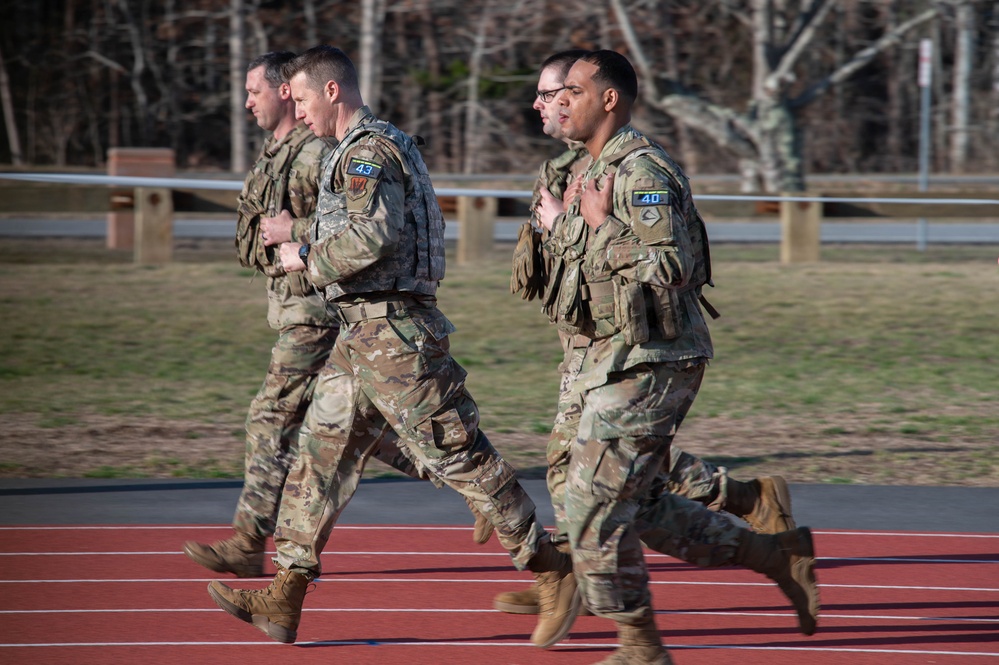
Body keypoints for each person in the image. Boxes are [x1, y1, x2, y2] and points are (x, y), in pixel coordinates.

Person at [204, 45, 579, 648]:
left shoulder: (369, 150)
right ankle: (286, 592)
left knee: (458, 454)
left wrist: (305, 255)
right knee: (318, 455)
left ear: (331, 92)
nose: (296, 114)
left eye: (300, 100)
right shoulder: (351, 150)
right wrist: (308, 236)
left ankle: (551, 566)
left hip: (395, 331)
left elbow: (372, 238)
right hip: (361, 333)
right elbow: (351, 225)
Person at [498, 51, 815, 633]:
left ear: (608, 99)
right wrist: (561, 225)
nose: (557, 102)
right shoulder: (578, 170)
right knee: (619, 500)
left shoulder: (641, 171)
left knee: (598, 501)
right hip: (600, 354)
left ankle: (632, 631)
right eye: (555, 92)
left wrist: (593, 225)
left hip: (653, 355)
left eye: (570, 90)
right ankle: (773, 554)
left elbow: (672, 264)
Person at [183, 51, 492, 581]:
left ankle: (252, 541)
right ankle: (479, 488)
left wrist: (293, 240)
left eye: (256, 90)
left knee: (275, 416)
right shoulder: (279, 150)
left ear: (292, 92)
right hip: (300, 303)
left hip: (320, 308)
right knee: (354, 427)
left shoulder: (327, 152)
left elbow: (358, 225)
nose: (248, 101)